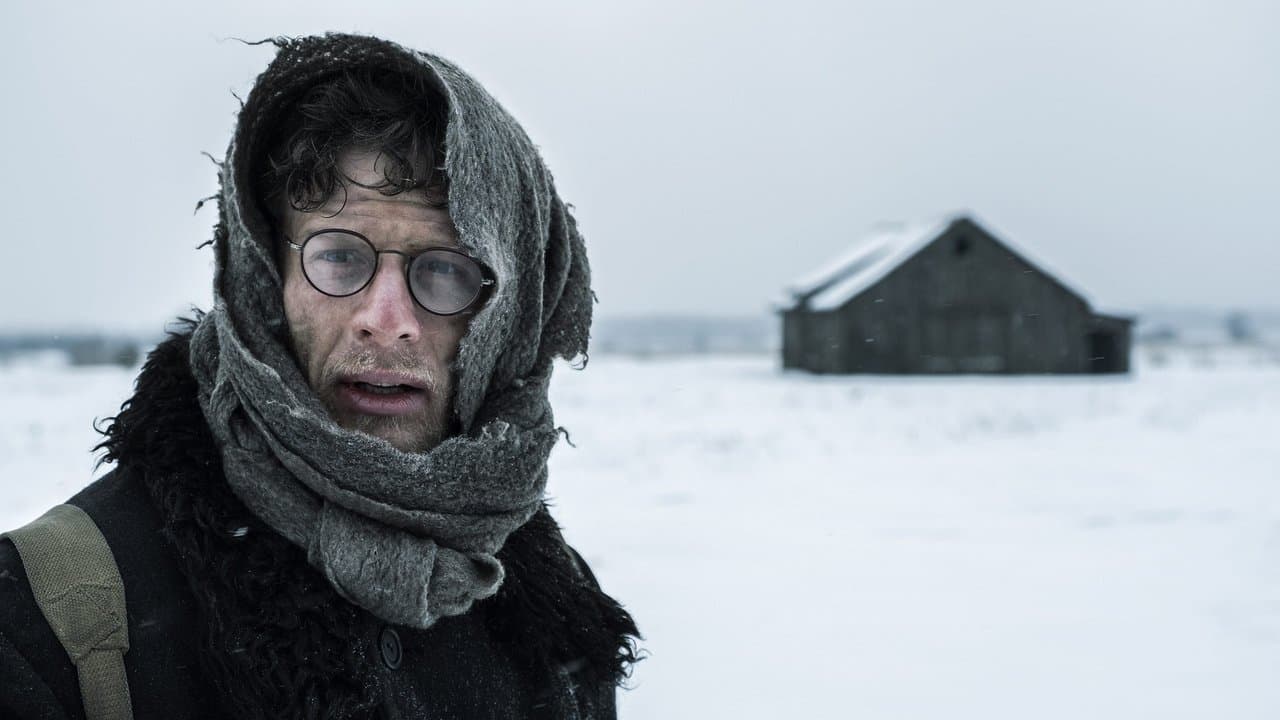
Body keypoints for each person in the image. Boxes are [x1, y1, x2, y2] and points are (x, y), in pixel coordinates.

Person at [0, 33, 639, 719]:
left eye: (445, 270)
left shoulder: (558, 622)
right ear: (265, 280)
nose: (386, 320)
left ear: (506, 316)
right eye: (339, 257)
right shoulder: (53, 625)